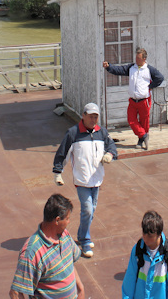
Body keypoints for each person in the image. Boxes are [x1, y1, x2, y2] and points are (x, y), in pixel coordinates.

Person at [52, 102, 117, 258]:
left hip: (97, 179)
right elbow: (63, 152)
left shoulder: (102, 132)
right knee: (87, 209)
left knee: (91, 210)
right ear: (84, 115)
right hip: (82, 180)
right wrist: (57, 172)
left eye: (96, 117)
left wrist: (109, 155)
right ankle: (85, 241)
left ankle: (82, 235)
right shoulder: (73, 133)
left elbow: (111, 146)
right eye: (91, 116)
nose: (93, 120)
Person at [10, 193, 85, 299]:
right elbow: (15, 292)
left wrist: (81, 289)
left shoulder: (65, 235)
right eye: (67, 218)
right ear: (57, 220)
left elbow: (69, 262)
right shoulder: (32, 252)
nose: (69, 221)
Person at [103, 48, 164, 150]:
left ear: (144, 59)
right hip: (133, 100)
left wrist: (150, 86)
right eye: (136, 57)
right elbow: (119, 70)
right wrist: (109, 67)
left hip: (144, 100)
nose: (136, 59)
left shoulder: (149, 69)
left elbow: (160, 78)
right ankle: (144, 136)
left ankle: (141, 140)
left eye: (139, 58)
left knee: (144, 121)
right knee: (131, 120)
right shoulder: (132, 67)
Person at [121, 210, 168, 299]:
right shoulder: (137, 250)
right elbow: (129, 282)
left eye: (150, 235)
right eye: (144, 233)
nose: (145, 237)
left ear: (159, 234)